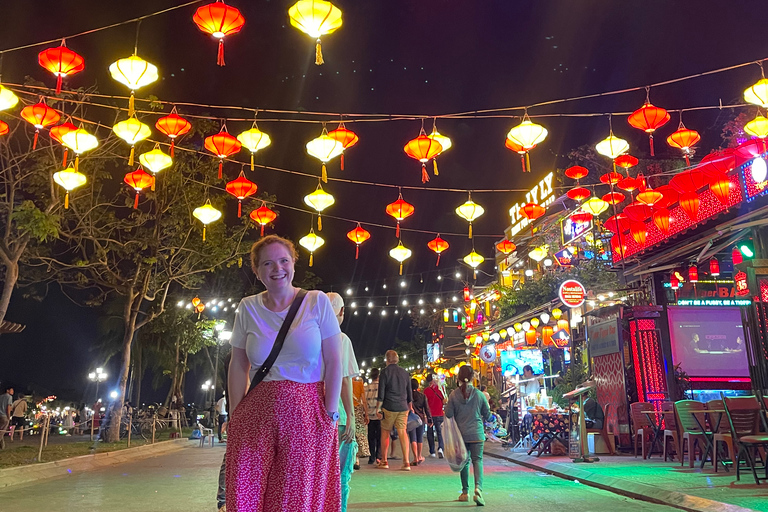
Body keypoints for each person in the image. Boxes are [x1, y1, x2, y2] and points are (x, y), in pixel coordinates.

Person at [226, 235, 343, 512]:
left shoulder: (316, 302)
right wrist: (235, 413)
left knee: (295, 494)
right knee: (246, 493)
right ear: (257, 270)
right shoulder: (248, 307)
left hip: (307, 409)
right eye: (267, 263)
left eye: (283, 260)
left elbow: (334, 359)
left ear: (293, 264)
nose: (277, 268)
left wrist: (330, 412)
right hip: (256, 412)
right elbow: (238, 363)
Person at [326, 291, 359, 512]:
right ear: (342, 312)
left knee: (317, 474)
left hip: (312, 417)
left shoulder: (308, 338)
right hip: (337, 416)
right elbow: (346, 382)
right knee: (340, 475)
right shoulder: (341, 339)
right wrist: (352, 418)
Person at [445, 366, 492, 506]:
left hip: (461, 436)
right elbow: (487, 415)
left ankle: (465, 492)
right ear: (473, 377)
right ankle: (478, 489)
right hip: (477, 433)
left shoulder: (453, 395)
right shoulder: (479, 394)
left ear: (458, 378)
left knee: (464, 462)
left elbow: (448, 414)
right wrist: (493, 418)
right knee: (477, 461)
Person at [375, 350, 412, 471]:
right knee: (403, 432)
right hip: (402, 406)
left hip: (389, 406)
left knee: (385, 432)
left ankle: (384, 461)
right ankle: (406, 462)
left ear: (387, 360)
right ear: (397, 359)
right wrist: (409, 405)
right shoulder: (405, 373)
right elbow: (409, 392)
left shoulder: (385, 372)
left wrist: (378, 408)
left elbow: (381, 392)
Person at [409, 378, 431, 466]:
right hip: (420, 419)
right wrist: (429, 419)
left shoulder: (408, 397)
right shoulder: (422, 396)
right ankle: (419, 456)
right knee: (419, 438)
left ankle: (415, 458)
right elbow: (427, 409)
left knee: (413, 438)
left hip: (411, 419)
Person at [424, 373, 446, 459]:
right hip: (440, 414)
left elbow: (425, 404)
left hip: (430, 415)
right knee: (440, 433)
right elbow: (444, 401)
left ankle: (432, 451)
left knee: (430, 433)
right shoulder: (441, 389)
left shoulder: (426, 391)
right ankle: (440, 448)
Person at [352, 377, 370, 468]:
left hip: (347, 410)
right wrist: (366, 414)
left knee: (350, 434)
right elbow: (364, 400)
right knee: (358, 434)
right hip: (358, 410)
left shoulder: (343, 382)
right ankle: (357, 459)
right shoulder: (359, 384)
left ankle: (350, 458)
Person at [365, 368, 382, 464]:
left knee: (371, 437)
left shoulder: (367, 387)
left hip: (370, 415)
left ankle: (371, 457)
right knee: (380, 437)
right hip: (379, 415)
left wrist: (366, 413)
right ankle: (378, 456)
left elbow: (365, 401)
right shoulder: (381, 387)